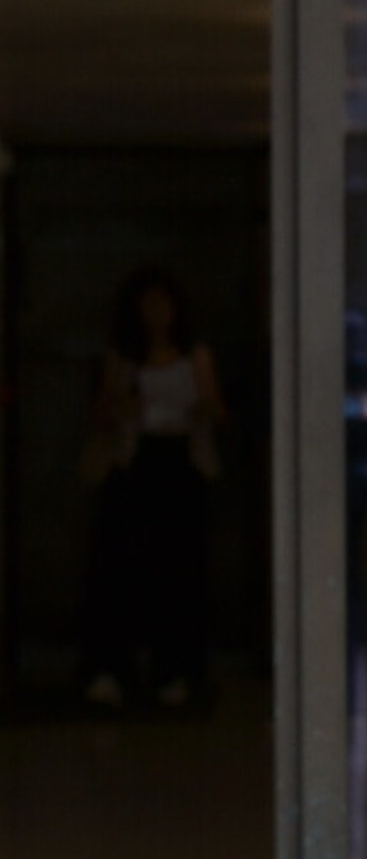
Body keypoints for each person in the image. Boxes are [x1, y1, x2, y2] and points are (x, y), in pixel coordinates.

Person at [79, 266, 227, 710]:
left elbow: (217, 411)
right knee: (121, 570)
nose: (156, 314)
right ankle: (113, 670)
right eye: (148, 306)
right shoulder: (123, 356)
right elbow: (101, 415)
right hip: (135, 465)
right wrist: (123, 406)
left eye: (163, 305)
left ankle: (176, 671)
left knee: (179, 573)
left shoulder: (194, 355)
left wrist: (199, 410)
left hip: (180, 464)